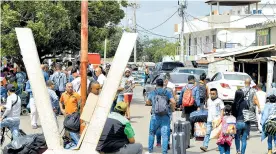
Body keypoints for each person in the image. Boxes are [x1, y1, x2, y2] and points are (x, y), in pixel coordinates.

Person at [146, 78, 176, 154]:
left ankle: (150, 150)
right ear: (163, 84)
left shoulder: (153, 92)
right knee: (165, 135)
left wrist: (152, 104)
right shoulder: (167, 92)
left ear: (156, 84)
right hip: (165, 116)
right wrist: (172, 109)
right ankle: (164, 152)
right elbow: (173, 102)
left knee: (152, 133)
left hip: (155, 116)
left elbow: (147, 102)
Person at [200, 88, 224, 152]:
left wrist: (220, 119)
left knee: (218, 134)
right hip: (209, 119)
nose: (212, 95)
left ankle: (220, 147)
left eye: (214, 94)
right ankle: (205, 146)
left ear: (216, 94)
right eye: (211, 94)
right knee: (208, 133)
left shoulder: (219, 101)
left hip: (217, 120)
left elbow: (222, 110)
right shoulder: (208, 100)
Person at [232, 89, 250, 154]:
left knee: (237, 138)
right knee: (244, 139)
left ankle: (238, 151)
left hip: (238, 122)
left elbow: (233, 114)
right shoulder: (246, 102)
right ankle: (243, 152)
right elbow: (248, 113)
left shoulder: (234, 103)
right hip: (245, 122)